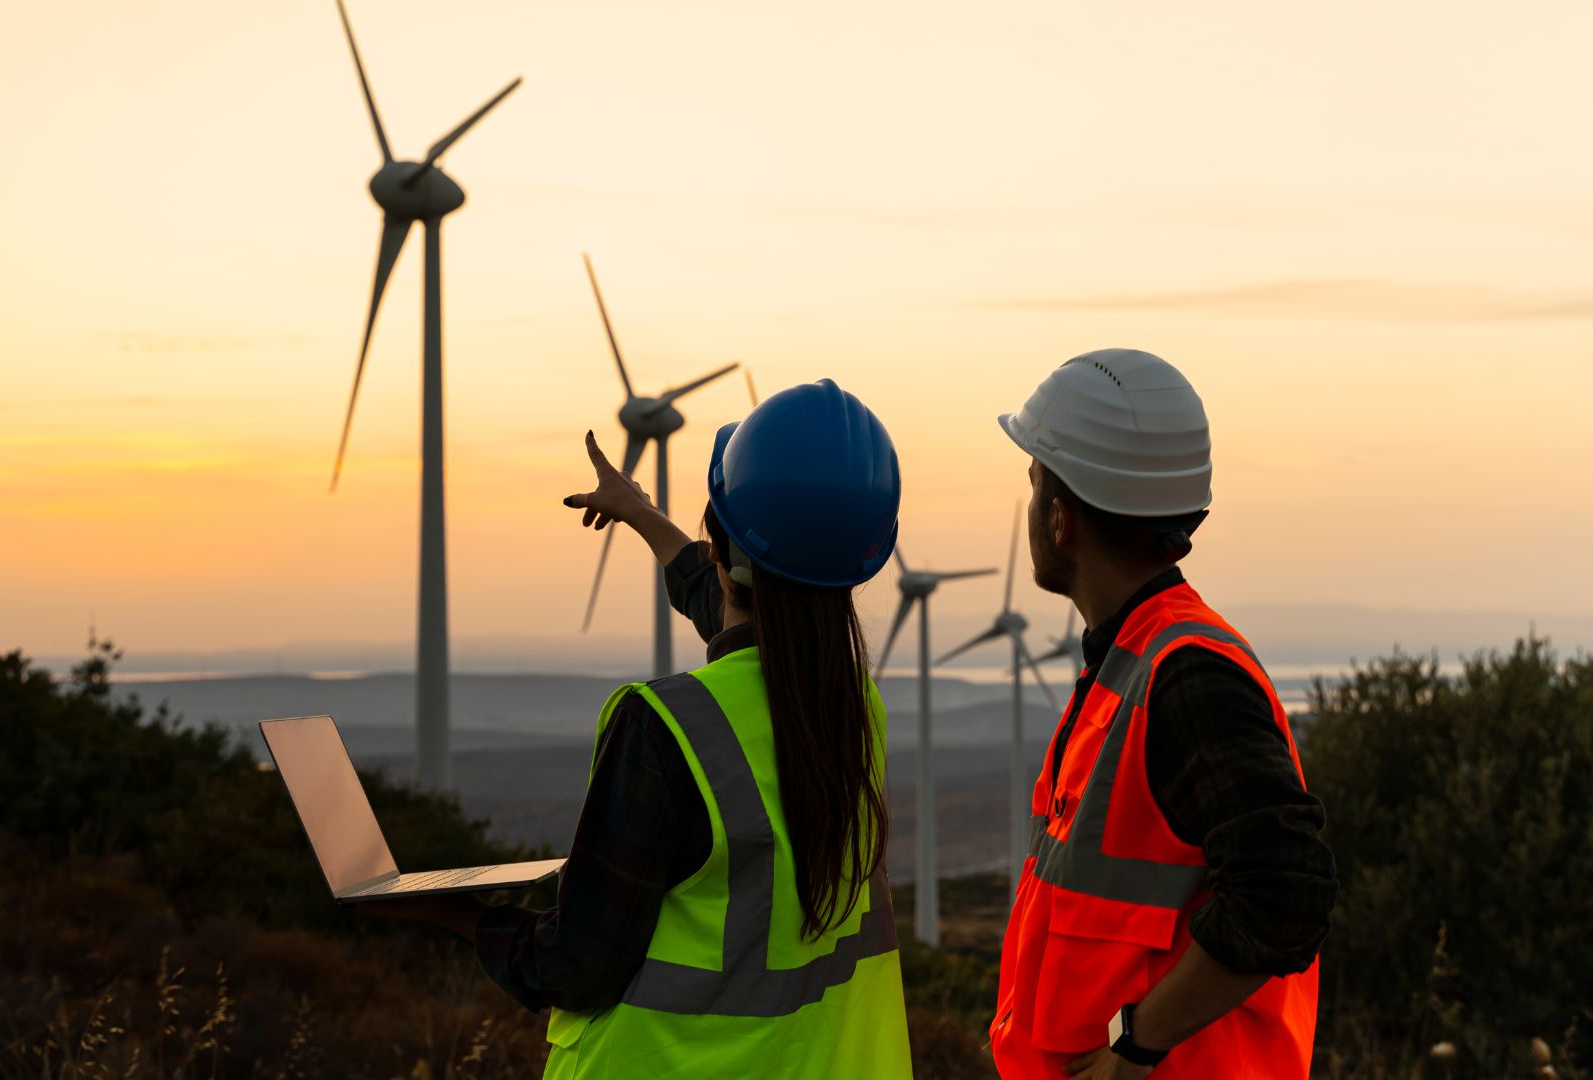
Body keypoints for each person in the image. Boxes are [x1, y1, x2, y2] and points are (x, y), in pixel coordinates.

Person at [363, 380, 915, 1078]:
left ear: (721, 541)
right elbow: (742, 607)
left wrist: (459, 915)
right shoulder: (852, 705)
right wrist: (644, 515)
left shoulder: (667, 729)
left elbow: (571, 966)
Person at [986, 349, 1336, 1079]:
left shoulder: (1187, 678)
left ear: (1059, 518)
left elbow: (1286, 888)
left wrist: (1136, 1044)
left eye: (1033, 487)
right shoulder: (1135, 662)